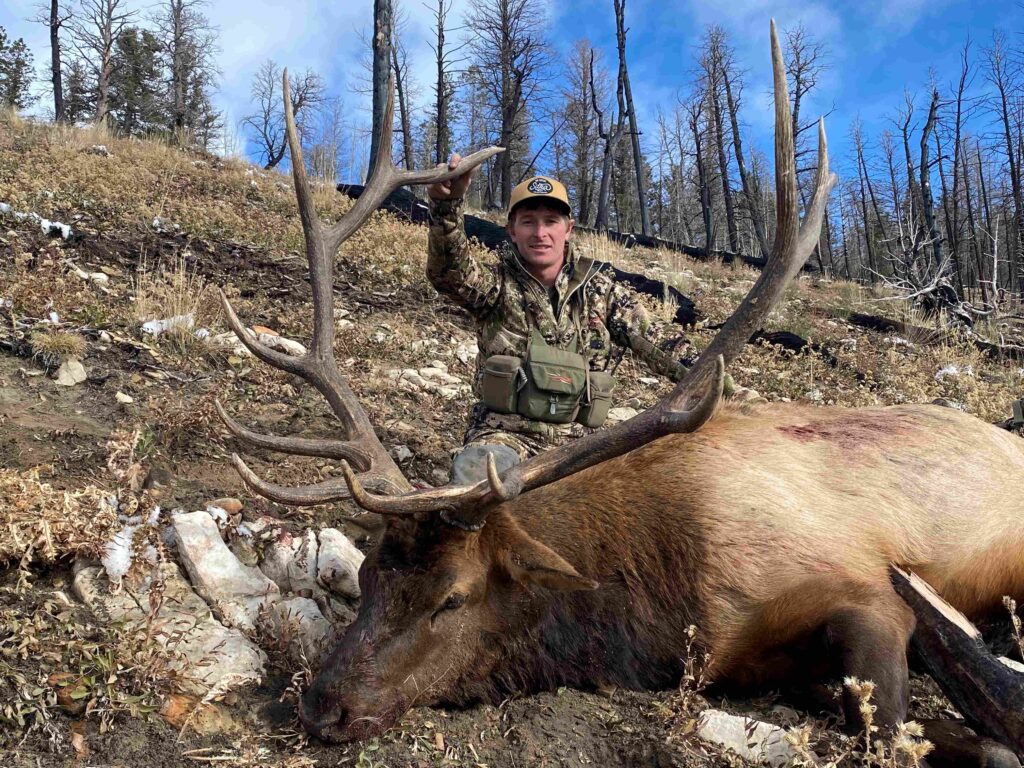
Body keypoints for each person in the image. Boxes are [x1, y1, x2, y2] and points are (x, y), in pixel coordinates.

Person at [426, 155, 753, 484]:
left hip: (583, 447)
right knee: (474, 480)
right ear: (511, 230)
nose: (540, 233)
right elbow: (448, 273)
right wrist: (446, 205)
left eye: (551, 221)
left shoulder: (602, 291)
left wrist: (731, 391)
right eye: (528, 221)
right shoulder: (494, 285)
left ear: (568, 229)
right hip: (504, 437)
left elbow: (665, 345)